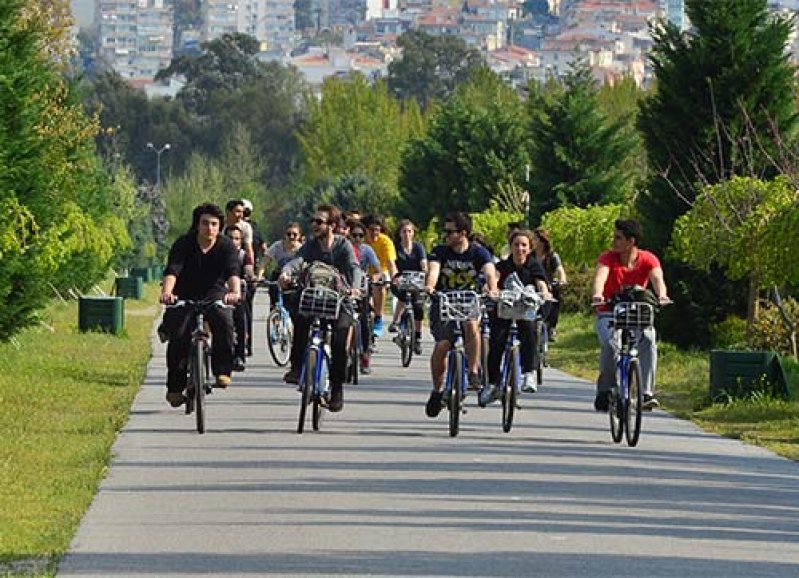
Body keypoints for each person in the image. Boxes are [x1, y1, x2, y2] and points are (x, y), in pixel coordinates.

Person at [279, 205, 362, 412]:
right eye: (313, 221)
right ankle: (297, 367)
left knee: (340, 339)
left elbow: (354, 268)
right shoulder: (311, 246)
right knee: (300, 318)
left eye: (319, 222)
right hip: (314, 297)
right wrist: (286, 273)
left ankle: (336, 388)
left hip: (339, 300)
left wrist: (355, 288)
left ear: (332, 226)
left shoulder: (343, 245)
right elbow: (297, 261)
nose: (314, 225)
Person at [159, 203, 241, 407]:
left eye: (214, 224)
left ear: (220, 226)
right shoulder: (183, 244)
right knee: (178, 336)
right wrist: (167, 292)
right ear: (197, 225)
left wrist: (234, 292)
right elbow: (173, 270)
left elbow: (232, 272)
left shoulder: (226, 246)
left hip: (214, 294)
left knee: (224, 321)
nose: (210, 228)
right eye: (205, 223)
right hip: (184, 294)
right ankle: (175, 388)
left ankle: (222, 370)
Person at [424, 212, 498, 418]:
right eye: (444, 231)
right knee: (442, 345)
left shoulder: (479, 253)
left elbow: (490, 272)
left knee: (471, 324)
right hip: (444, 302)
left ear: (463, 233)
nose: (445, 235)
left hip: (469, 302)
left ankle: (473, 372)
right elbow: (434, 271)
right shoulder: (440, 252)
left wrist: (493, 289)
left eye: (450, 231)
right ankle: (437, 390)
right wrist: (430, 287)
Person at [591, 219, 670, 412]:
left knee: (649, 339)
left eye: (618, 238)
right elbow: (600, 276)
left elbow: (657, 278)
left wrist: (662, 295)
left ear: (631, 241)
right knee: (610, 345)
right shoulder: (608, 258)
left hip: (635, 314)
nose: (614, 241)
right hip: (609, 312)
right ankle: (606, 389)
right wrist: (598, 294)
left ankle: (646, 393)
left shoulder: (648, 258)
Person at [480, 230, 551, 405]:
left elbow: (541, 283)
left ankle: (529, 373)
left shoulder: (534, 265)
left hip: (525, 310)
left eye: (524, 245)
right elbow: (493, 279)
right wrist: (490, 289)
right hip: (504, 309)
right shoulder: (503, 265)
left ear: (530, 247)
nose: (520, 249)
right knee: (496, 341)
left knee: (529, 332)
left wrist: (544, 293)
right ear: (510, 247)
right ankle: (492, 383)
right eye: (516, 245)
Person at [388, 219, 427, 355]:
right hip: (400, 281)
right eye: (404, 231)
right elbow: (391, 263)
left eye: (409, 231)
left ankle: (417, 337)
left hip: (416, 282)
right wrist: (395, 276)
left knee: (419, 307)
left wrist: (425, 271)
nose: (407, 234)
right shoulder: (395, 247)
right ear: (399, 233)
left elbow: (424, 264)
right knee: (403, 296)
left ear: (413, 233)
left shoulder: (418, 247)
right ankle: (396, 321)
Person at [349, 219, 381, 374]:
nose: (357, 239)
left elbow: (377, 269)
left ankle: (365, 354)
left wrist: (376, 277)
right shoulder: (344, 248)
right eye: (354, 235)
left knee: (365, 319)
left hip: (362, 288)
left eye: (360, 236)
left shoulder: (367, 250)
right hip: (345, 288)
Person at [363, 214, 397, 337]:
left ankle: (378, 317)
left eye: (377, 230)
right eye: (371, 230)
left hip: (381, 272)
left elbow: (390, 263)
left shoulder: (385, 241)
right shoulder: (360, 240)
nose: (374, 233)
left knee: (379, 285)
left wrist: (395, 278)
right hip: (363, 273)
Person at [532, 227, 567, 341]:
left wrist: (562, 280)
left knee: (556, 296)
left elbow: (560, 269)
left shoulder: (552, 255)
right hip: (533, 284)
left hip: (549, 285)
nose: (532, 241)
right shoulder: (530, 256)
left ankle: (551, 326)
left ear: (542, 241)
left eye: (535, 239)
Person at [258, 222, 303, 308]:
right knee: (274, 296)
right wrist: (260, 276)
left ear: (299, 236)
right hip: (278, 275)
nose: (291, 237)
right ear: (285, 235)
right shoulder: (277, 246)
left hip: (294, 277)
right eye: (289, 234)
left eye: (295, 234)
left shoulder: (301, 249)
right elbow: (264, 262)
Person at [224, 224, 249, 372]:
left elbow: (248, 268)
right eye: (230, 238)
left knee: (241, 318)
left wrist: (249, 276)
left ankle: (240, 355)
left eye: (236, 239)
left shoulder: (242, 255)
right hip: (218, 292)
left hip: (236, 293)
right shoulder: (218, 252)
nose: (233, 241)